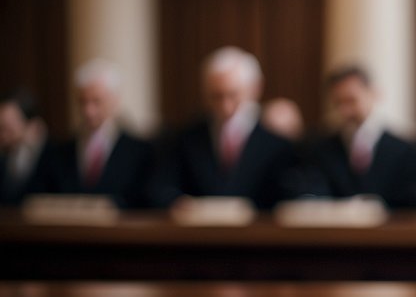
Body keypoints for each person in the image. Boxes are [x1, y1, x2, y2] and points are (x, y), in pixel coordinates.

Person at [149, 46, 301, 210]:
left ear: (255, 88)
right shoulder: (187, 137)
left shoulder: (276, 140)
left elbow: (291, 195)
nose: (225, 106)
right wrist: (178, 203)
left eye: (233, 95)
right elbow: (160, 188)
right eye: (216, 96)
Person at [304, 64, 416, 209]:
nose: (345, 111)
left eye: (351, 100)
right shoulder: (321, 148)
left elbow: (412, 201)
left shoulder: (404, 150)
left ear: (373, 93)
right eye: (338, 103)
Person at [39, 59, 156, 208]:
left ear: (115, 100)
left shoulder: (140, 152)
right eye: (83, 102)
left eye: (96, 101)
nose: (88, 111)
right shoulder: (60, 152)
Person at [0, 87, 52, 206]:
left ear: (31, 124)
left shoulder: (51, 156)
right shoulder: (5, 156)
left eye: (7, 127)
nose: (2, 134)